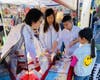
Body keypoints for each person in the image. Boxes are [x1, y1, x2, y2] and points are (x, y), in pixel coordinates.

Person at [0, 8, 43, 79]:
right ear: (33, 21)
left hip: (12, 63)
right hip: (12, 65)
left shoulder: (23, 27)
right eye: (40, 22)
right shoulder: (24, 30)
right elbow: (31, 48)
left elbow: (33, 47)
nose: (40, 24)